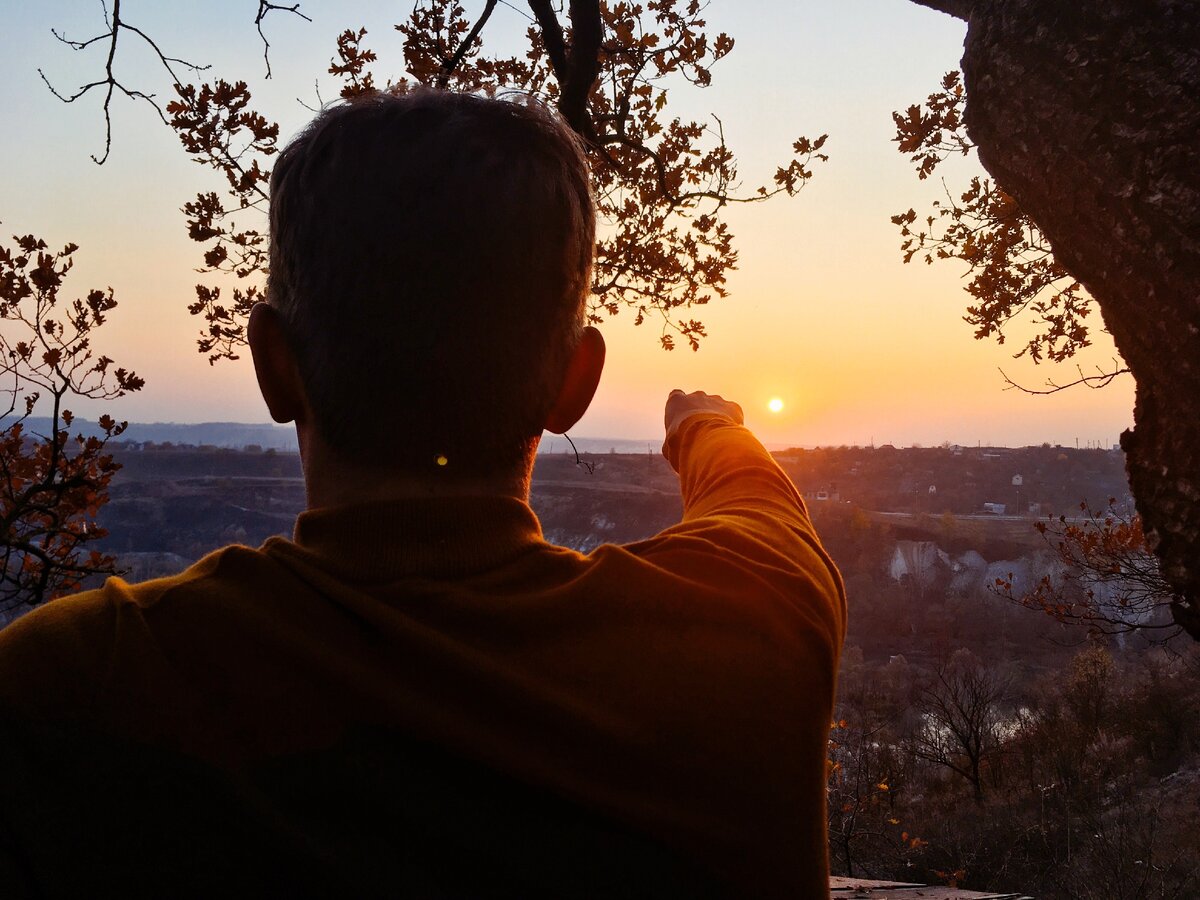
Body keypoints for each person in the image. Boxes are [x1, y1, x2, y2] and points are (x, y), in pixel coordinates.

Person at [0, 90, 845, 898]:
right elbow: (756, 501)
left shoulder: (71, 686)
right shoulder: (757, 624)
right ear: (574, 383)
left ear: (271, 364)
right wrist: (705, 425)